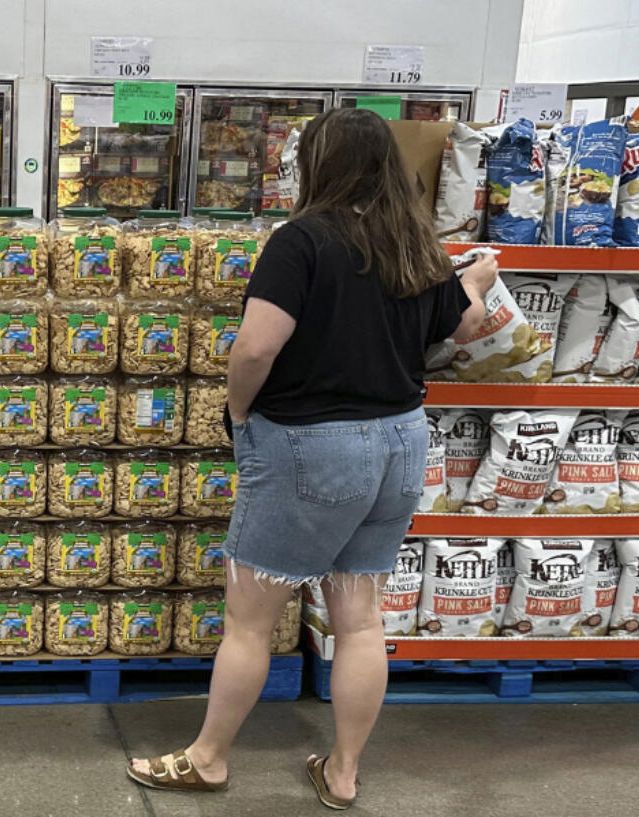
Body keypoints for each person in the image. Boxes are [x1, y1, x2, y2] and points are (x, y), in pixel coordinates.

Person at [125, 108, 497, 809]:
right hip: (400, 440)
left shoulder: (301, 241)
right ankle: (343, 771)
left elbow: (257, 346)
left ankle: (207, 758)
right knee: (360, 619)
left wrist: (237, 413)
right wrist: (475, 280)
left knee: (250, 619)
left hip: (312, 447)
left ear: (319, 167)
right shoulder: (414, 242)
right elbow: (465, 322)